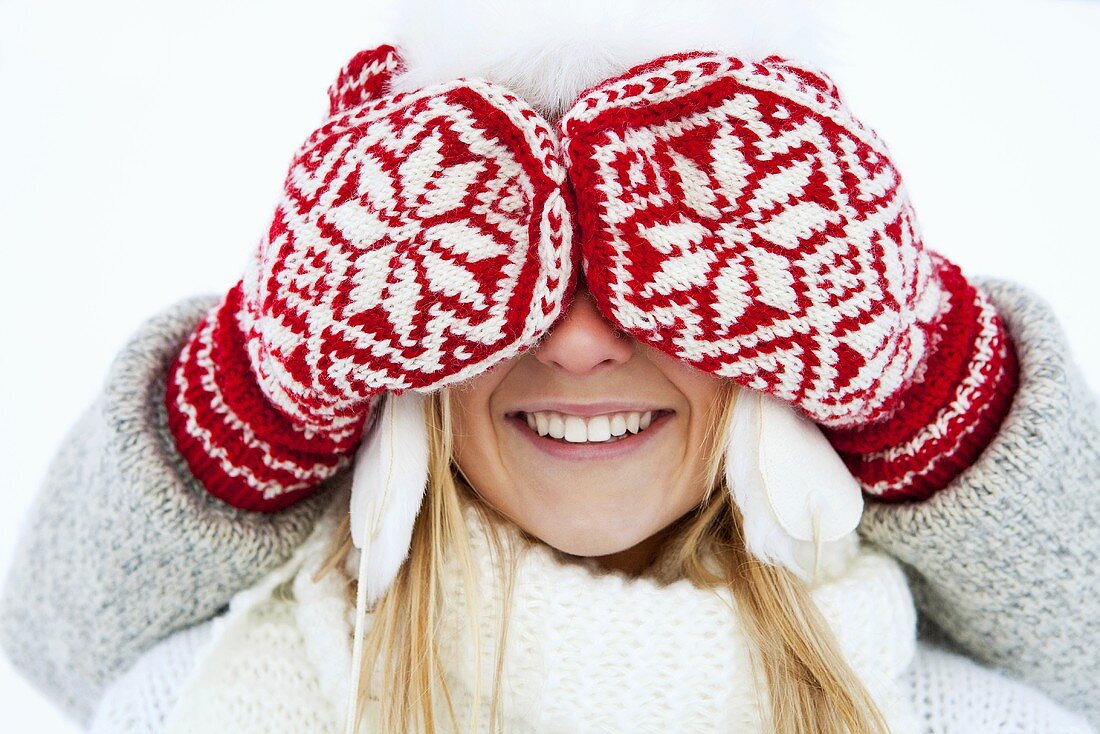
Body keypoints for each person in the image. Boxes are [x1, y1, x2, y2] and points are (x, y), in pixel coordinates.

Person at [2, 1, 1098, 732]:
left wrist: (924, 376)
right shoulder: (191, 704)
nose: (576, 340)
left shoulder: (963, 718)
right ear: (387, 315)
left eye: (664, 258)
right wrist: (257, 384)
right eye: (500, 255)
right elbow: (50, 638)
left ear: (788, 315)